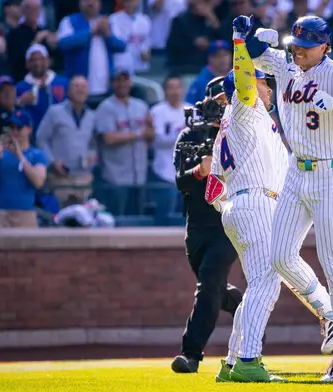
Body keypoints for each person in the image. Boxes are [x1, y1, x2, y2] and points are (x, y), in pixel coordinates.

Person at [242, 14, 333, 381]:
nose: (299, 53)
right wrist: (252, 32)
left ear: (325, 46)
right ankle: (331, 315)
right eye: (296, 46)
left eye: (307, 48)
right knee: (278, 256)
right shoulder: (286, 62)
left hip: (331, 173)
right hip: (296, 171)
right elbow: (255, 50)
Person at [208, 24, 333, 382]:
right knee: (268, 280)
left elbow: (213, 190)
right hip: (255, 203)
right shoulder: (245, 109)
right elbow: (245, 83)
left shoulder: (240, 125)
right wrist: (239, 45)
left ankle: (234, 362)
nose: (268, 87)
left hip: (239, 205)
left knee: (260, 284)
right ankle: (249, 360)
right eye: (265, 82)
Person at [171, 77, 242, 374]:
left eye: (228, 103)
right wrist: (200, 170)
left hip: (229, 221)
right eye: (220, 103)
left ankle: (190, 353)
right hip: (197, 225)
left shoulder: (245, 134)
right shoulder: (190, 135)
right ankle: (239, 305)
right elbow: (181, 181)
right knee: (213, 289)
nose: (223, 108)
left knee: (209, 282)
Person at [94, 69, 153, 216]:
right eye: (118, 80)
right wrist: (139, 134)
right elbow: (108, 138)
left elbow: (151, 136)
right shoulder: (105, 107)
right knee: (117, 221)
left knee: (139, 222)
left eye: (125, 80)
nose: (122, 84)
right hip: (116, 178)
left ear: (130, 82)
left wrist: (151, 130)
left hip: (139, 176)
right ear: (112, 83)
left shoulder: (141, 106)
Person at [36, 76, 96, 207]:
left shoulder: (92, 116)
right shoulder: (54, 112)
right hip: (60, 177)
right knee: (61, 218)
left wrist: (92, 155)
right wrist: (52, 162)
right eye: (76, 86)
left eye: (84, 87)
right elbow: (41, 138)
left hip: (83, 178)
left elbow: (93, 143)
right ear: (68, 91)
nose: (80, 90)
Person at [0, 109, 48, 228]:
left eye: (19, 128)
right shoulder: (1, 153)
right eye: (12, 128)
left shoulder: (37, 155)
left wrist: (20, 156)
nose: (15, 132)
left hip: (26, 213)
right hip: (0, 213)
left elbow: (38, 182)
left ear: (29, 129)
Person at [149, 76, 187, 224]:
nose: (175, 91)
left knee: (184, 215)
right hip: (163, 171)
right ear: (164, 91)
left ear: (183, 90)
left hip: (186, 170)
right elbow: (158, 140)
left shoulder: (190, 108)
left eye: (178, 87)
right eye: (170, 87)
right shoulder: (156, 111)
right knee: (163, 215)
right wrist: (182, 132)